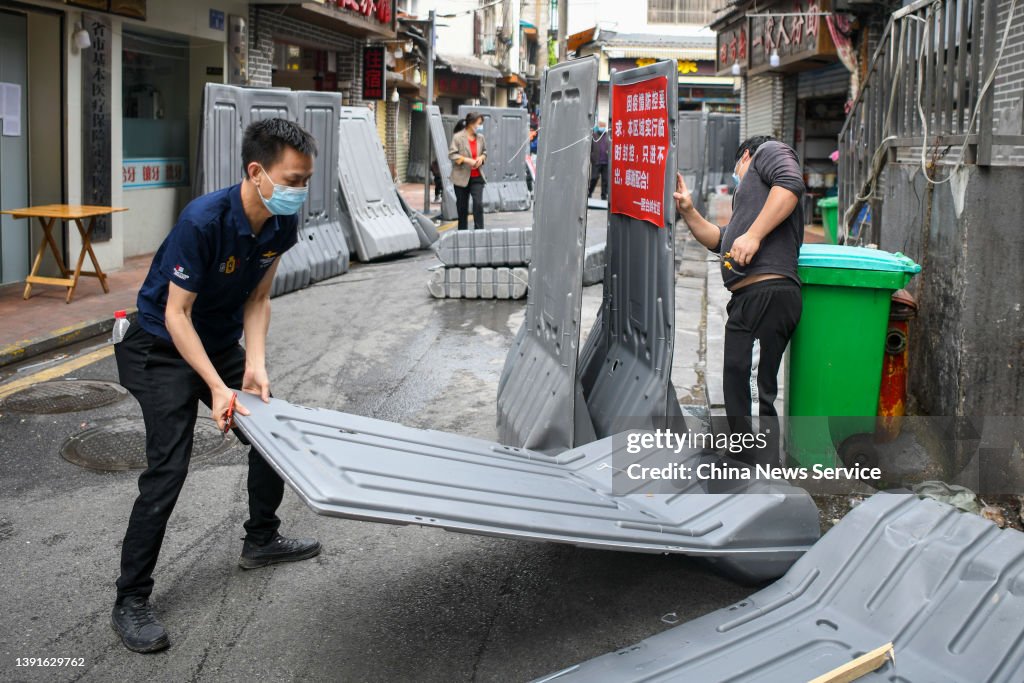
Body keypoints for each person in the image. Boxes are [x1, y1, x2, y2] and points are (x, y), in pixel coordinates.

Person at [111, 118, 322, 654]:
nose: (300, 191)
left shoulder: (280, 225)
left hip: (219, 340)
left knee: (272, 433)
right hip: (159, 344)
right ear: (257, 172)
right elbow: (177, 316)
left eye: (306, 181)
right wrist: (217, 387)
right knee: (169, 467)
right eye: (293, 179)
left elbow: (258, 299)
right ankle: (130, 600)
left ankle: (261, 539)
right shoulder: (203, 221)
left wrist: (255, 364)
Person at [673, 136, 805, 468]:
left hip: (767, 293)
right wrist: (689, 212)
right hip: (749, 299)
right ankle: (741, 458)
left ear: (744, 157)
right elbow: (722, 240)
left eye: (736, 169)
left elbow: (790, 185)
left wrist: (755, 234)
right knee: (737, 378)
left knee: (753, 385)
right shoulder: (751, 205)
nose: (736, 177)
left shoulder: (769, 150)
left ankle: (759, 470)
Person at [448, 112, 487, 230]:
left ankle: (479, 231)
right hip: (461, 178)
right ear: (471, 123)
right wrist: (466, 160)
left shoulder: (481, 138)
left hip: (477, 177)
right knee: (462, 208)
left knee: (478, 204)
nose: (480, 126)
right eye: (479, 124)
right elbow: (452, 155)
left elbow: (485, 152)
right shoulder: (458, 137)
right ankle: (462, 233)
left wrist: (481, 158)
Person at [589, 121, 611, 200]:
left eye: (603, 126)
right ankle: (589, 192)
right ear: (598, 126)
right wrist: (592, 158)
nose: (602, 127)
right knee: (594, 178)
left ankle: (603, 196)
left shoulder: (607, 136)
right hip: (597, 161)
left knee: (605, 180)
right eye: (601, 125)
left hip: (606, 162)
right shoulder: (594, 135)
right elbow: (590, 148)